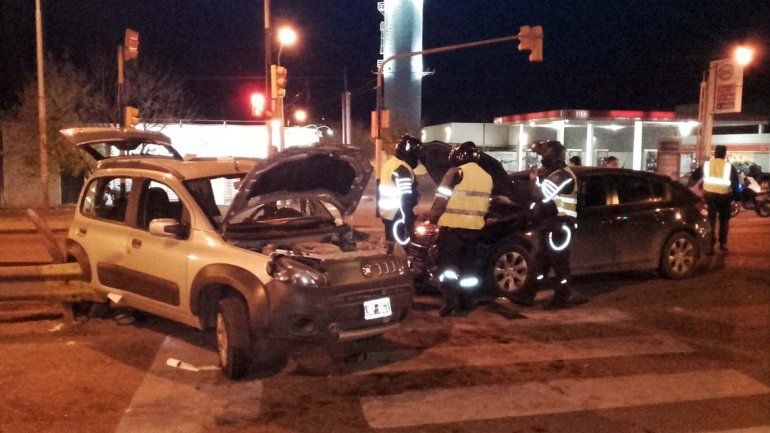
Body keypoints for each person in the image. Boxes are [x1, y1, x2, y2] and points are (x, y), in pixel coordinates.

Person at [510, 140, 587, 310]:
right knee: (541, 262)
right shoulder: (555, 173)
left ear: (554, 156)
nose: (542, 157)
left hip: (560, 225)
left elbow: (542, 195)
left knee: (560, 265)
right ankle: (527, 295)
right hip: (551, 224)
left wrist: (533, 181)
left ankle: (562, 298)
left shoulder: (562, 175)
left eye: (545, 153)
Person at [428, 141, 493, 317]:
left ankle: (450, 300)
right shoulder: (487, 176)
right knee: (469, 269)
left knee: (447, 267)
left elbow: (441, 199)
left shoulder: (455, 172)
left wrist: (432, 218)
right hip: (475, 230)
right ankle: (466, 303)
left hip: (453, 229)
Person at [690, 145, 740, 254]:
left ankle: (710, 245)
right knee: (724, 221)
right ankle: (722, 245)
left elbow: (694, 175)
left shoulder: (707, 165)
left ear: (715, 153)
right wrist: (736, 197)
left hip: (709, 196)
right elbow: (735, 182)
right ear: (724, 154)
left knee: (711, 220)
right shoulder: (729, 166)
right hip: (725, 196)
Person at [379, 134, 422, 247]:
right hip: (399, 216)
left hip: (388, 214)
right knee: (404, 252)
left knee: (392, 248)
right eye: (416, 154)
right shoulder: (402, 169)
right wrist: (408, 222)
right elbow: (405, 198)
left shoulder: (390, 163)